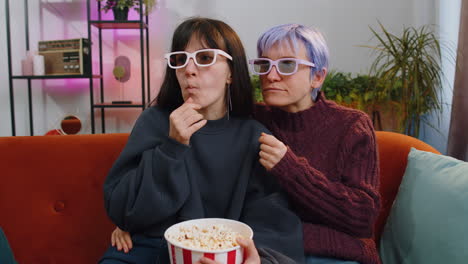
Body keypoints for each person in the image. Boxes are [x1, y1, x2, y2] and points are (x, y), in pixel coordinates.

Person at [99, 17, 304, 264]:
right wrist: (172, 147)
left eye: (205, 58)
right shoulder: (154, 121)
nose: (189, 70)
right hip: (149, 250)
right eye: (180, 59)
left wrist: (256, 259)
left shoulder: (254, 136)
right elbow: (123, 210)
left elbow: (274, 224)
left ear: (231, 72)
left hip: (226, 254)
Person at [250, 24, 381, 264]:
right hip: (269, 250)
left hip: (338, 256)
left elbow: (362, 217)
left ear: (318, 76)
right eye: (264, 64)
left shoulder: (352, 125)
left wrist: (289, 168)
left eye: (287, 64)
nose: (270, 75)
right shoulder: (254, 119)